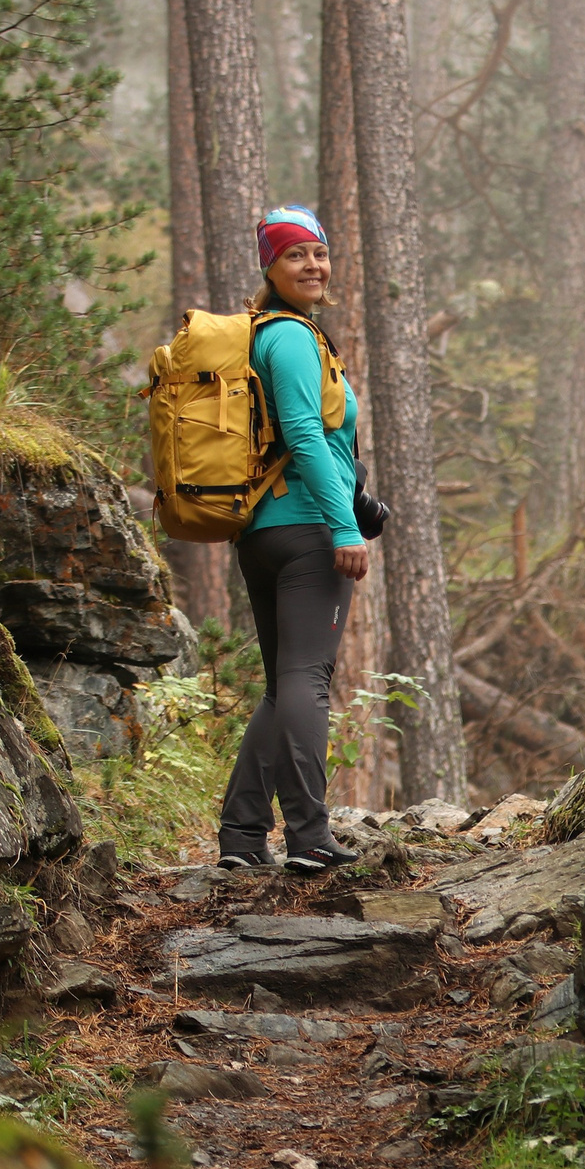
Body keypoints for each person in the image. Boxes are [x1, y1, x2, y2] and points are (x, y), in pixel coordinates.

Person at [217, 205, 369, 874]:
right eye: (295, 255)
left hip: (262, 532)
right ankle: (308, 834)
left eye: (319, 252)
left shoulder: (257, 338)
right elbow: (305, 432)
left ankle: (242, 836)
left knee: (284, 685)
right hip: (309, 529)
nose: (312, 265)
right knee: (308, 678)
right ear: (269, 267)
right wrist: (344, 525)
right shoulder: (290, 338)